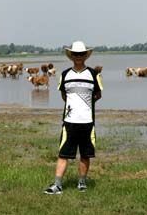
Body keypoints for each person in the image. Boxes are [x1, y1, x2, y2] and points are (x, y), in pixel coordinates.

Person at [44, 41, 103, 194]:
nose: (78, 57)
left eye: (81, 54)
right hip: (69, 122)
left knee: (85, 154)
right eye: (75, 54)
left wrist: (86, 106)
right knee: (63, 154)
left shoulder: (93, 75)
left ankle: (82, 183)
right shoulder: (64, 75)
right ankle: (57, 185)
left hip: (87, 122)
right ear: (71, 56)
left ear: (85, 56)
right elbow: (64, 95)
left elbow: (98, 95)